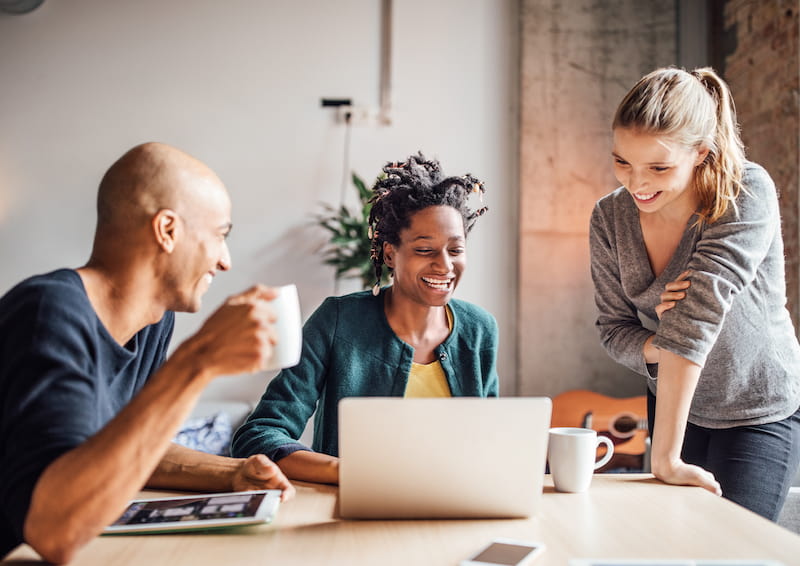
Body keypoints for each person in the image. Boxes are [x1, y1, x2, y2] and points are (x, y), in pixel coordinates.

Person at [0, 142, 295, 564]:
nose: (224, 261)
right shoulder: (49, 314)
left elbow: (128, 449)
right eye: (220, 236)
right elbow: (54, 531)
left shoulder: (155, 322)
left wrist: (233, 473)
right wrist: (198, 360)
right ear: (167, 230)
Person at [590, 66, 800, 520]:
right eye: (623, 161)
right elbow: (613, 329)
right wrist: (657, 343)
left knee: (732, 549)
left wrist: (665, 459)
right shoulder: (609, 217)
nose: (637, 183)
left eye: (659, 167)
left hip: (756, 408)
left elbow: (694, 319)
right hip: (673, 404)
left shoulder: (743, 192)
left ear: (701, 153)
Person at [231, 152, 499, 484]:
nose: (444, 265)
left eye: (455, 250)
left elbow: (489, 441)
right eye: (424, 250)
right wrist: (347, 472)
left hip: (455, 505)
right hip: (352, 511)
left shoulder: (479, 329)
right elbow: (258, 435)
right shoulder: (338, 321)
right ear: (390, 253)